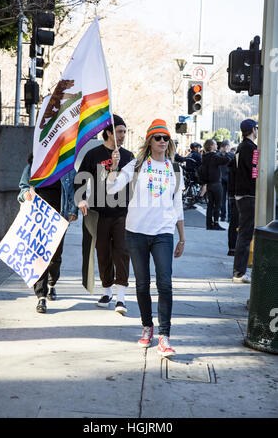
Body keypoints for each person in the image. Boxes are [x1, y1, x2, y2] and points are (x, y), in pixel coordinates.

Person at [107, 119, 185, 357]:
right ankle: (147, 327)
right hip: (137, 232)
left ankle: (165, 336)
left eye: (166, 138)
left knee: (165, 284)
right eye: (158, 137)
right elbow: (111, 189)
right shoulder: (137, 165)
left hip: (163, 232)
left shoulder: (175, 169)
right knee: (142, 284)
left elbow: (178, 206)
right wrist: (114, 168)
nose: (162, 141)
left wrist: (181, 238)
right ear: (150, 141)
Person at [75, 114, 134, 314]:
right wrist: (80, 199)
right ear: (108, 133)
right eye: (119, 131)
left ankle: (121, 298)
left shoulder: (128, 156)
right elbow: (79, 180)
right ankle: (107, 291)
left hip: (122, 213)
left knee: (122, 252)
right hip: (98, 213)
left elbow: (134, 184)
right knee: (103, 253)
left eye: (125, 132)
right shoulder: (93, 155)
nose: (123, 135)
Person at [18, 154, 78, 313]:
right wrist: (25, 194)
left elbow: (74, 190)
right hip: (39, 218)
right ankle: (41, 296)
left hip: (59, 217)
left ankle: (52, 283)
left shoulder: (68, 167)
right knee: (40, 256)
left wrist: (73, 210)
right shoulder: (34, 166)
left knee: (55, 256)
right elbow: (23, 187)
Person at [232, 119, 258, 283]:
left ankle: (238, 271)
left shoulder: (240, 148)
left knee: (244, 233)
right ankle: (239, 273)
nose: (257, 131)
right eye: (256, 128)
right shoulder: (252, 149)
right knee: (245, 234)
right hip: (249, 194)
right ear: (252, 130)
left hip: (241, 194)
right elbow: (255, 171)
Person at [202, 139, 232, 230]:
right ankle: (215, 223)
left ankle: (208, 224)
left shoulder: (204, 156)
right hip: (216, 183)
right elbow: (227, 160)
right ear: (211, 146)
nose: (217, 146)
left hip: (209, 183)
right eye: (215, 144)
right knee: (217, 204)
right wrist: (226, 152)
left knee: (210, 204)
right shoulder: (214, 156)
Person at [218, 140, 234, 222]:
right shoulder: (231, 155)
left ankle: (223, 216)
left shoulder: (218, 155)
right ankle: (229, 217)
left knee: (222, 198)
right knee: (229, 198)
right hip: (229, 178)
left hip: (221, 178)